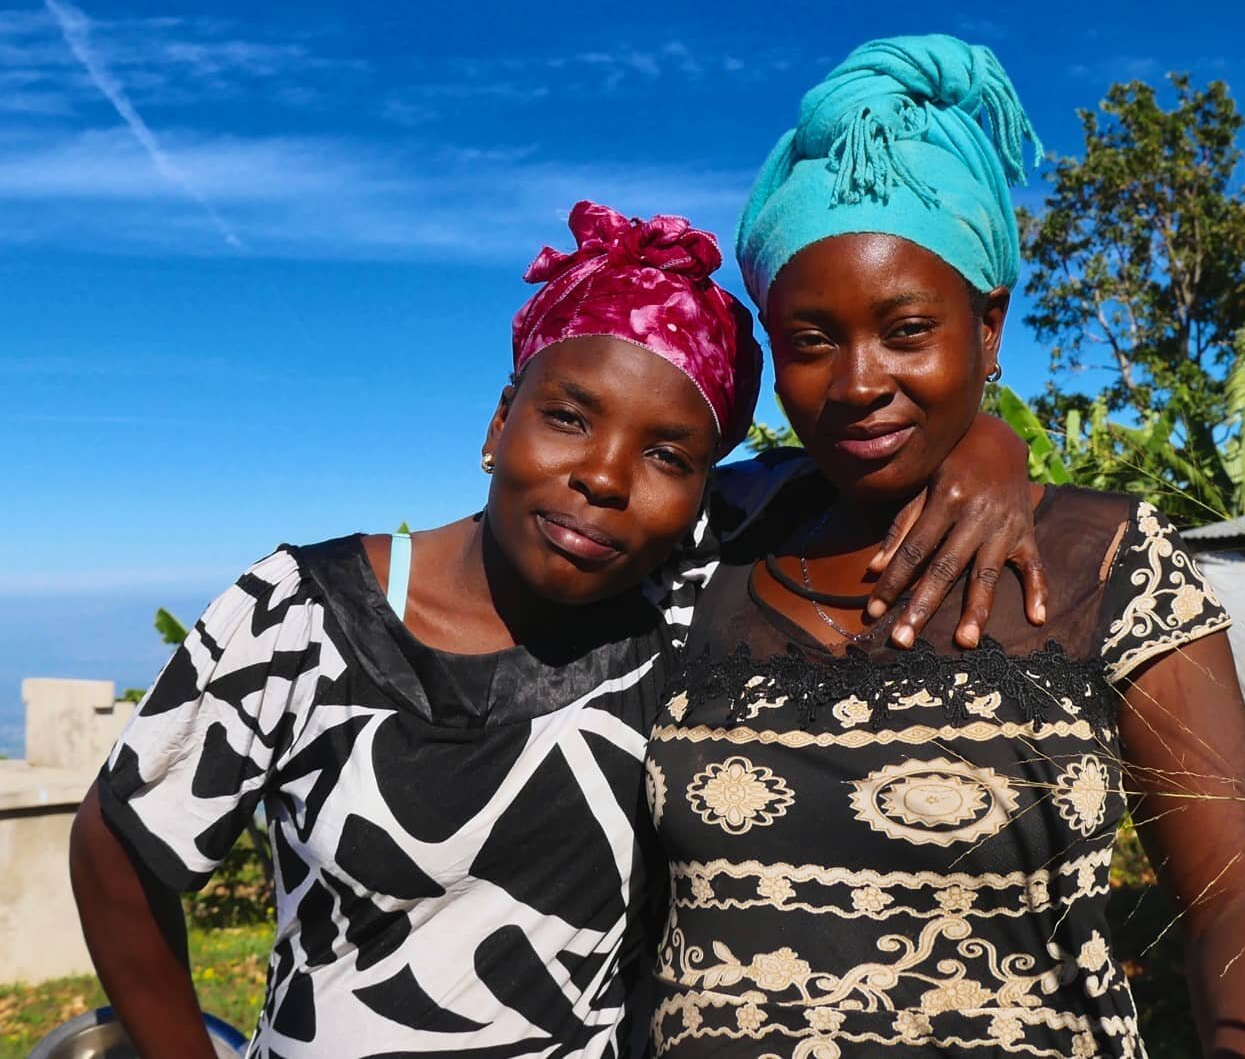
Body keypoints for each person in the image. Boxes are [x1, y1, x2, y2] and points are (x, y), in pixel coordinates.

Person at [69, 201, 1045, 1059]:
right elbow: (118, 850)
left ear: (700, 492)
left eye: (668, 453)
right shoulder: (299, 615)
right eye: (570, 418)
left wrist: (987, 443)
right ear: (501, 424)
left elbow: (863, 454)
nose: (608, 477)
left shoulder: (675, 603)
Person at [645, 36, 1245, 1059]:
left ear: (988, 326)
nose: (859, 381)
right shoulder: (708, 546)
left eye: (908, 331)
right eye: (812, 342)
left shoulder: (1105, 562)